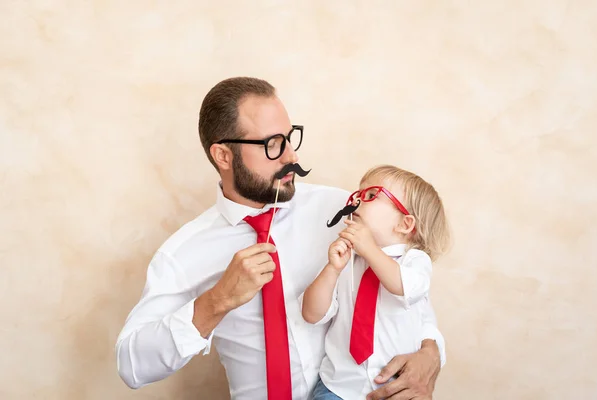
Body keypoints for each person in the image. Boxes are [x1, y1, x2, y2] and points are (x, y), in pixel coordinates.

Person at [115, 77, 446, 400]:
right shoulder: (183, 252)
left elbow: (406, 292)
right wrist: (217, 301)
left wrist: (431, 352)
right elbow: (132, 365)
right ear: (223, 156)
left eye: (290, 138)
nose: (292, 157)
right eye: (273, 144)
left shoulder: (344, 210)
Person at [302, 165, 451, 399]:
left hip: (395, 389)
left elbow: (405, 289)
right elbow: (312, 314)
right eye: (358, 194)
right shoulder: (348, 261)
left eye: (371, 195)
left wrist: (369, 248)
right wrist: (332, 269)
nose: (358, 200)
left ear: (405, 224)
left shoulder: (414, 261)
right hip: (337, 386)